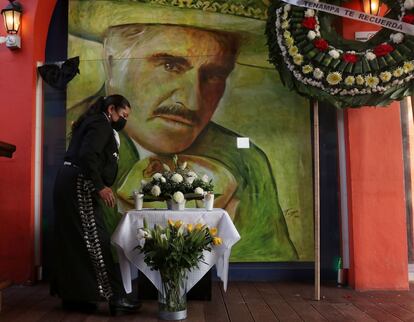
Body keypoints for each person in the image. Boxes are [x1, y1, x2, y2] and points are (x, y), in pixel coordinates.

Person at [51, 94, 141, 315]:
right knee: (96, 239)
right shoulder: (101, 124)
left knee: (72, 241)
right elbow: (88, 155)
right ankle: (116, 298)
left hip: (66, 181)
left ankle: (74, 296)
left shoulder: (89, 122)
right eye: (123, 115)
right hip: (80, 183)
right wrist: (100, 186)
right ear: (111, 109)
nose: (124, 120)